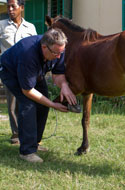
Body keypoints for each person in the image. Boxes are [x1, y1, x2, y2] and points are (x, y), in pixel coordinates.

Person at [0, 28, 77, 163]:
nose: (59, 56)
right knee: (29, 104)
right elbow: (27, 91)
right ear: (44, 47)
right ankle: (27, 151)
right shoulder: (28, 54)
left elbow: (58, 74)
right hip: (10, 71)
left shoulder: (57, 49)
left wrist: (64, 87)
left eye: (61, 52)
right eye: (56, 53)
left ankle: (35, 143)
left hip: (36, 72)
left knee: (43, 105)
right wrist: (53, 104)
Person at [0, 0, 37, 144]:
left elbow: (34, 47)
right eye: (8, 6)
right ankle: (16, 134)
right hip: (9, 70)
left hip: (27, 70)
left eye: (13, 6)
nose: (10, 9)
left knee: (28, 102)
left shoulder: (30, 27)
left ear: (21, 7)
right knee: (12, 104)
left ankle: (28, 133)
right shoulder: (1, 26)